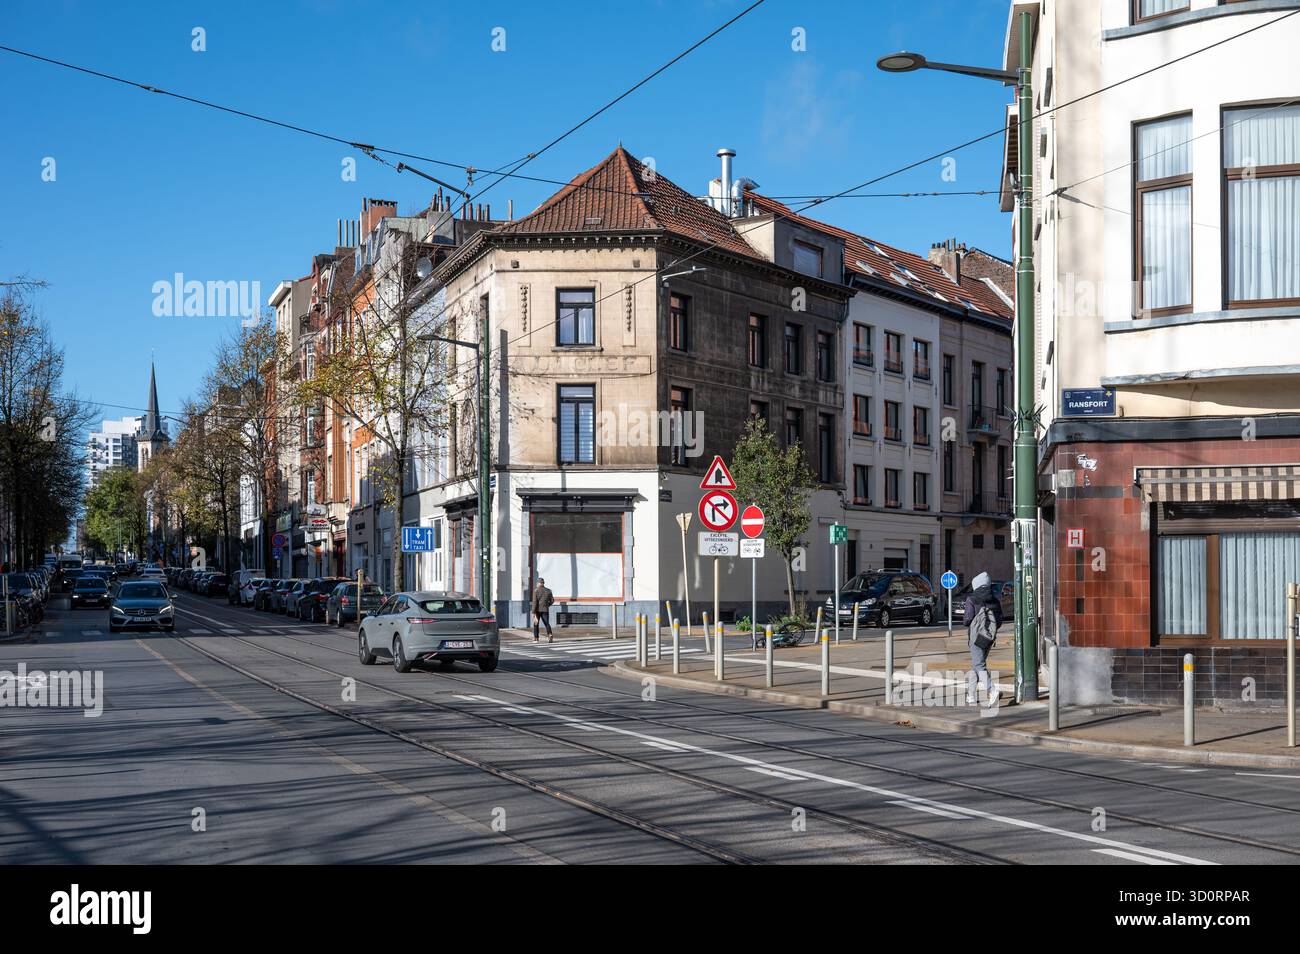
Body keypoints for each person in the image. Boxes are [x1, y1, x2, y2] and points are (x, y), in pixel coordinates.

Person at [964, 572, 1003, 707]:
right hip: (989, 638)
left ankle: (992, 690)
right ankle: (971, 695)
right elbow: (999, 620)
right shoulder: (995, 600)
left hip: (976, 637)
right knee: (977, 664)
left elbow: (967, 619)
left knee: (979, 665)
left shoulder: (972, 599)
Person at [531, 577, 554, 643]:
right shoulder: (549, 590)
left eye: (537, 583)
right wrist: (547, 605)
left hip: (537, 610)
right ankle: (550, 634)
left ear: (538, 583)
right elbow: (552, 600)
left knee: (536, 623)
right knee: (547, 623)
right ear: (543, 583)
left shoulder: (536, 591)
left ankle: (536, 638)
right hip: (545, 609)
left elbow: (535, 602)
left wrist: (533, 612)